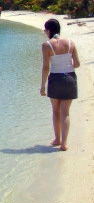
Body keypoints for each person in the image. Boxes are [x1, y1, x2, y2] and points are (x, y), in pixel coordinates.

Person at [40, 18, 80, 151]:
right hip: (70, 78)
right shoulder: (70, 42)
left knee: (55, 111)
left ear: (49, 30)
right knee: (65, 112)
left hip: (55, 79)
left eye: (45, 30)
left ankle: (57, 139)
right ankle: (64, 144)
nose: (45, 32)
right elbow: (77, 64)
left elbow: (46, 67)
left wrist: (42, 86)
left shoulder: (47, 45)